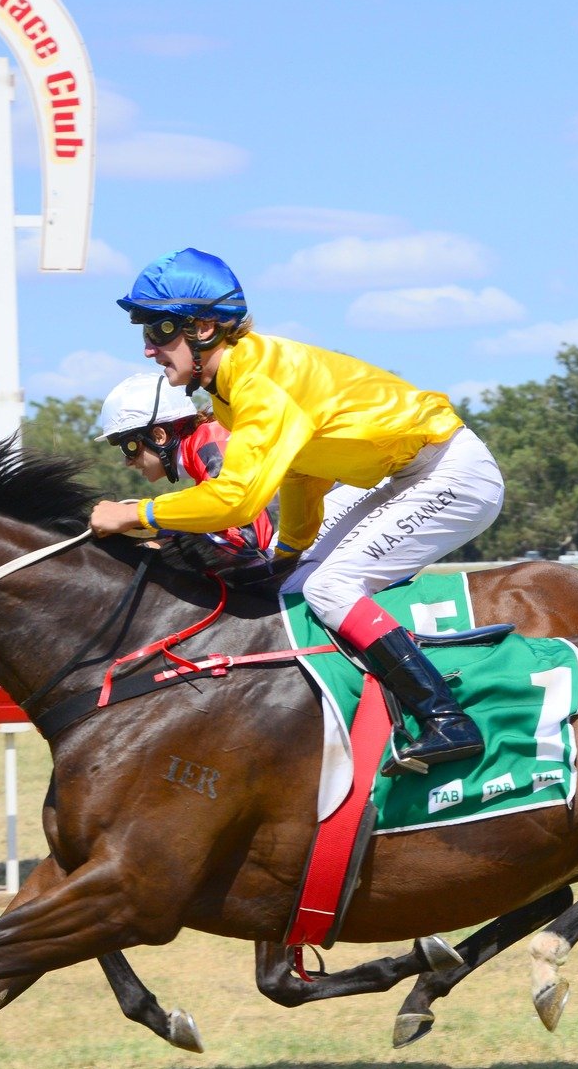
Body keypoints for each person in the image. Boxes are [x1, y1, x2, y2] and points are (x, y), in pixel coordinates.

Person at [87, 247, 504, 772]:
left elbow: (237, 499)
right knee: (288, 584)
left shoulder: (257, 384)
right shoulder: (230, 387)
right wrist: (288, 550)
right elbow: (304, 473)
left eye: (160, 332)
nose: (149, 350)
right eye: (145, 334)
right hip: (408, 472)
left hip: (452, 472)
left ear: (206, 328)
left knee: (330, 587)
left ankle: (446, 718)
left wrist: (135, 515)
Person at [90, 370, 274, 559]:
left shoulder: (212, 442)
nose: (128, 462)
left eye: (129, 447)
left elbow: (250, 540)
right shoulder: (201, 449)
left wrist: (135, 516)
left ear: (158, 436)